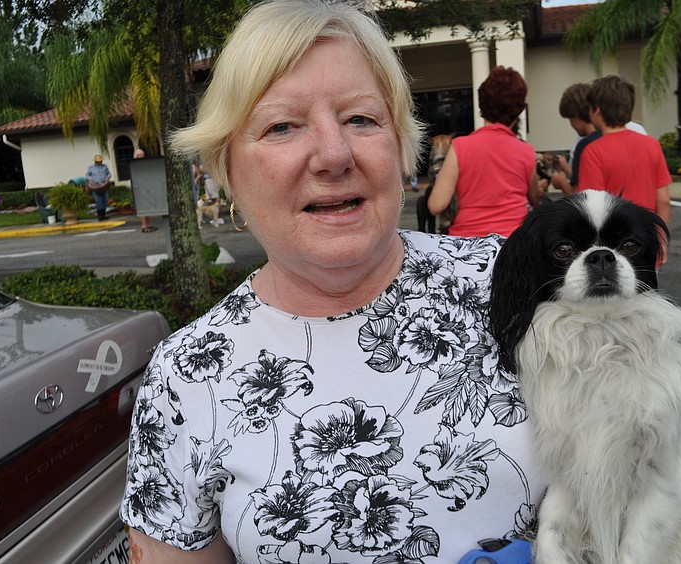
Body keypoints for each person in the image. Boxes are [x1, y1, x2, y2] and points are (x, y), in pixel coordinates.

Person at [119, 1, 543, 562]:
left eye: (361, 119)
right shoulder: (186, 378)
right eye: (282, 126)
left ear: (399, 146)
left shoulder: (517, 284)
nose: (334, 154)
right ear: (227, 173)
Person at [428, 66, 541, 237]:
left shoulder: (460, 147)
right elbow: (535, 197)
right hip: (514, 244)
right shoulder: (526, 151)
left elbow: (436, 205)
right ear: (519, 109)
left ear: (481, 103)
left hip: (469, 245)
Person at [577, 74, 672, 229]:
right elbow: (663, 200)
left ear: (597, 110)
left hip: (615, 244)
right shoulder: (651, 144)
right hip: (646, 240)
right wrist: (660, 244)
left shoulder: (593, 152)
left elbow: (590, 208)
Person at [547, 82, 601, 195]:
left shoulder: (584, 145)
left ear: (575, 116)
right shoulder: (605, 137)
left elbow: (578, 196)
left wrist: (562, 182)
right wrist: (567, 171)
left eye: (570, 120)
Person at [132, 148, 158, 232]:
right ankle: (144, 225)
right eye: (141, 156)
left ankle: (147, 224)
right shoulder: (135, 164)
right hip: (139, 188)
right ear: (136, 156)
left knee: (146, 207)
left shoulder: (141, 164)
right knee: (142, 207)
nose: (142, 158)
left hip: (144, 187)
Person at [85, 154, 112, 221]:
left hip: (104, 185)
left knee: (105, 200)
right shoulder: (91, 167)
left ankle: (103, 215)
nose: (100, 162)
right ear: (95, 161)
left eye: (100, 161)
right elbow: (87, 175)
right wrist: (90, 179)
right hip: (95, 185)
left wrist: (107, 177)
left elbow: (109, 174)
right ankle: (99, 216)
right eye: (98, 161)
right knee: (98, 201)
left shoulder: (105, 166)